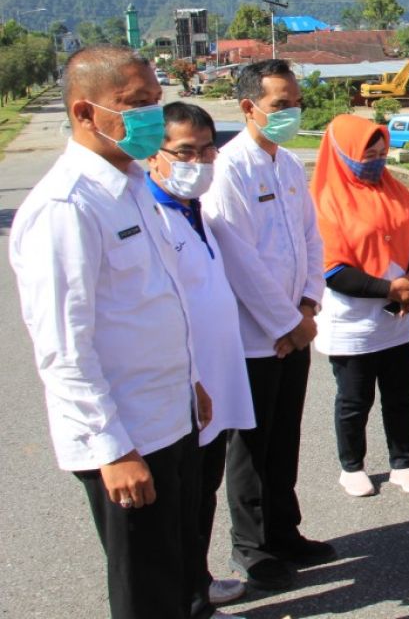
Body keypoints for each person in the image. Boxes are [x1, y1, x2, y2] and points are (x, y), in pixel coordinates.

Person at [10, 46, 208, 618]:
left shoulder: (131, 185)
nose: (151, 115)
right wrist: (111, 449)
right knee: (145, 587)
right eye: (134, 104)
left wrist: (188, 380)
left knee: (177, 570)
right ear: (84, 112)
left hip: (168, 414)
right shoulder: (66, 207)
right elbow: (63, 349)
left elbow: (154, 301)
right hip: (125, 435)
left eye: (154, 100)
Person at [202, 59, 333, 591]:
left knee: (286, 437)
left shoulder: (286, 163)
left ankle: (285, 531)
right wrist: (285, 322)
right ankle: (252, 547)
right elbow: (238, 258)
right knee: (251, 447)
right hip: (256, 338)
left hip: (295, 327)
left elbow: (310, 237)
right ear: (248, 107)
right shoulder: (229, 168)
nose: (291, 112)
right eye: (280, 104)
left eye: (295, 102)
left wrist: (307, 304)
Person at [145, 102, 256, 618]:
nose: (201, 160)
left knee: (202, 492)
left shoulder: (192, 209)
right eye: (185, 151)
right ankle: (187, 598)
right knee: (178, 505)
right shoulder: (151, 218)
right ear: (154, 156)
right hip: (184, 391)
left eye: (208, 148)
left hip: (215, 383)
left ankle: (199, 580)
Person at [310, 114, 409, 498]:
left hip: (399, 314)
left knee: (401, 395)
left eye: (382, 152)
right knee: (354, 399)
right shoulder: (325, 199)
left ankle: (402, 463)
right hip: (353, 318)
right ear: (343, 154)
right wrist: (389, 289)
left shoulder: (394, 187)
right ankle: (352, 466)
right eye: (367, 154)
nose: (377, 160)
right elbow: (332, 270)